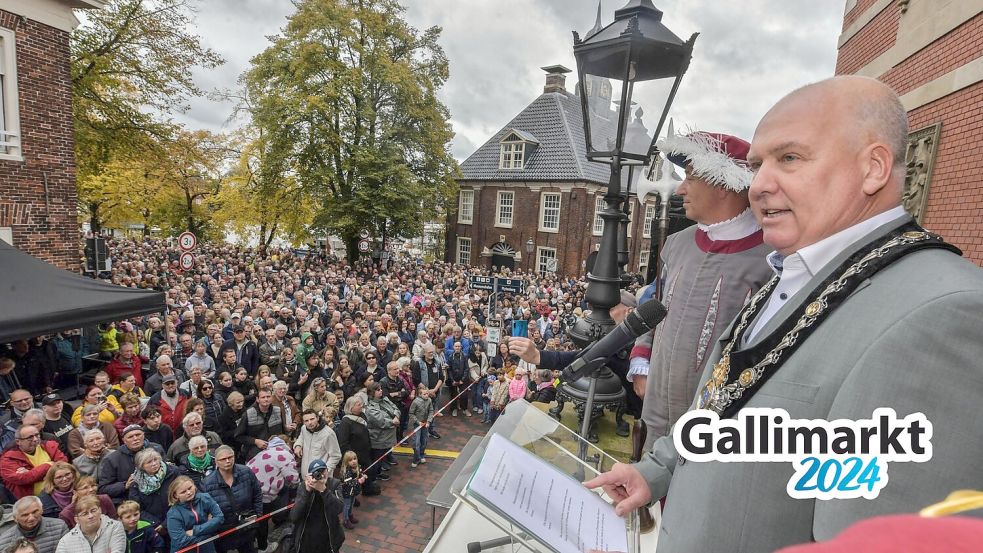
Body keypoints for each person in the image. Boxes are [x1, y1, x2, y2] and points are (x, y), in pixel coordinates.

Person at [585, 76, 983, 552]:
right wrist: (655, 470)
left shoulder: (945, 312)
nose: (760, 184)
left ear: (873, 167)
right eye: (756, 164)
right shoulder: (795, 272)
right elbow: (725, 401)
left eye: (789, 158)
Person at [200, 445, 262, 553]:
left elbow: (257, 493)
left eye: (230, 457)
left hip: (246, 526)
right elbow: (205, 510)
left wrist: (258, 515)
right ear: (216, 461)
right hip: (223, 531)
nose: (228, 461)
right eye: (223, 459)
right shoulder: (207, 484)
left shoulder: (246, 472)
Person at [245, 436, 296, 553]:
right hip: (263, 494)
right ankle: (263, 547)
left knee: (255, 518)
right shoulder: (285, 455)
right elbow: (293, 478)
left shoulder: (265, 451)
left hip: (249, 490)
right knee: (262, 520)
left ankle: (254, 541)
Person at [98, 425, 165, 505]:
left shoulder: (157, 448)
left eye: (138, 435)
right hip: (130, 503)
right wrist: (125, 485)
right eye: (130, 437)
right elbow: (103, 489)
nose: (135, 438)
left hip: (159, 496)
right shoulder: (113, 459)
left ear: (144, 435)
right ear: (124, 440)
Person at [288, 459, 345, 553]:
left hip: (328, 540)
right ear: (309, 476)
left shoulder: (335, 484)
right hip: (307, 540)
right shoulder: (303, 486)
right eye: (317, 473)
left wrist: (324, 490)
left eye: (323, 471)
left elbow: (338, 509)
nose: (321, 475)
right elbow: (294, 516)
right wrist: (307, 492)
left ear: (327, 470)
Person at [0, 425, 69, 499]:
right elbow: (23, 479)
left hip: (61, 492)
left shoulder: (49, 446)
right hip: (33, 502)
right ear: (18, 441)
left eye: (37, 435)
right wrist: (48, 465)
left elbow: (64, 465)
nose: (35, 439)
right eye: (30, 438)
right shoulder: (8, 459)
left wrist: (31, 473)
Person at [164, 475, 224, 553]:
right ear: (176, 495)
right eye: (183, 492)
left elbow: (220, 518)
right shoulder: (173, 514)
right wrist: (209, 531)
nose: (189, 492)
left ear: (194, 485)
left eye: (190, 488)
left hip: (207, 548)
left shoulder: (205, 498)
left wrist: (195, 531)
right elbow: (181, 540)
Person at [128, 448, 182, 527]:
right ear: (141, 466)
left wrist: (167, 522)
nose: (154, 464)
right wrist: (156, 523)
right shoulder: (136, 482)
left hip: (178, 517)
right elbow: (137, 508)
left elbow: (182, 496)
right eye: (149, 462)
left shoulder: (173, 472)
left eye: (155, 460)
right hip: (154, 525)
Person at [54, 494, 125, 553]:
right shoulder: (65, 541)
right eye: (85, 514)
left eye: (93, 510)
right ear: (77, 519)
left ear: (100, 510)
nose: (91, 516)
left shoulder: (115, 527)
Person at [335, 397, 377, 496]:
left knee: (367, 472)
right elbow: (343, 443)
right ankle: (354, 497)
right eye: (358, 405)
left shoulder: (362, 416)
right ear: (351, 407)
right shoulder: (346, 422)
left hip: (365, 453)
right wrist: (351, 458)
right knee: (354, 477)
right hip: (356, 456)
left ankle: (367, 488)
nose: (361, 406)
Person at [0, 497, 67, 553]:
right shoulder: (4, 541)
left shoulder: (59, 527)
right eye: (25, 515)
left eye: (35, 512)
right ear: (15, 518)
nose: (31, 518)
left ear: (42, 510)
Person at [235, 389, 284, 461]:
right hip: (255, 455)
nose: (266, 399)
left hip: (275, 452)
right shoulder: (249, 414)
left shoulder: (277, 411)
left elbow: (282, 431)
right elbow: (238, 436)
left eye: (268, 396)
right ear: (257, 399)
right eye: (263, 397)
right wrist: (255, 441)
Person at [364, 383, 398, 481]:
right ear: (372, 393)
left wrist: (396, 416)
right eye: (378, 390)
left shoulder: (385, 399)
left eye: (381, 389)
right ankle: (373, 478)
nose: (381, 391)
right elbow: (381, 421)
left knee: (382, 457)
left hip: (387, 437)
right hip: (378, 439)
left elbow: (396, 408)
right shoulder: (370, 408)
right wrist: (393, 421)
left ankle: (378, 473)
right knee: (376, 459)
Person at [294, 409, 341, 478]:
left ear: (318, 418)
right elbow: (301, 438)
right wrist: (298, 445)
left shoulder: (328, 434)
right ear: (303, 422)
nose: (310, 422)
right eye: (306, 421)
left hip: (321, 478)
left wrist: (325, 471)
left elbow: (336, 456)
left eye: (312, 419)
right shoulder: (304, 428)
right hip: (305, 476)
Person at [411, 343, 443, 440]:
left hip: (435, 392)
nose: (431, 354)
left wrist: (435, 390)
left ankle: (431, 429)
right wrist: (427, 391)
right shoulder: (419, 363)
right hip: (423, 394)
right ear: (424, 353)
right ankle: (422, 430)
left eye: (432, 352)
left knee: (432, 411)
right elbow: (416, 379)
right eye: (429, 353)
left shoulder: (437, 362)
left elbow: (441, 377)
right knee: (422, 412)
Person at [407, 383, 433, 468]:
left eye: (427, 393)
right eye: (424, 394)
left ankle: (421, 455)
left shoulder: (429, 400)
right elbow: (411, 413)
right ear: (420, 394)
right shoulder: (415, 402)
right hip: (416, 425)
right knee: (416, 442)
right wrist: (418, 422)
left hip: (425, 424)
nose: (426, 395)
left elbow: (431, 411)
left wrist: (428, 421)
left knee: (424, 441)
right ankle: (416, 459)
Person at [338, 451, 365, 530]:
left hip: (353, 491)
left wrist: (363, 475)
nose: (353, 461)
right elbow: (348, 482)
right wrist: (358, 481)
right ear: (346, 462)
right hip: (347, 492)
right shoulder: (346, 472)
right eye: (350, 460)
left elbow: (360, 473)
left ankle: (350, 515)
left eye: (354, 459)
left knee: (352, 503)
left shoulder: (357, 467)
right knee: (346, 506)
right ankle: (345, 520)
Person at [445, 341, 470, 417]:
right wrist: (452, 380)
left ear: (461, 347)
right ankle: (454, 409)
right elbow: (449, 369)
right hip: (453, 379)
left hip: (463, 379)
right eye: (456, 346)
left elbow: (466, 369)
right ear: (453, 347)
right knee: (453, 394)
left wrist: (462, 380)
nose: (457, 348)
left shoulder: (465, 356)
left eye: (459, 346)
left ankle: (465, 409)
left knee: (464, 395)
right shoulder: (450, 356)